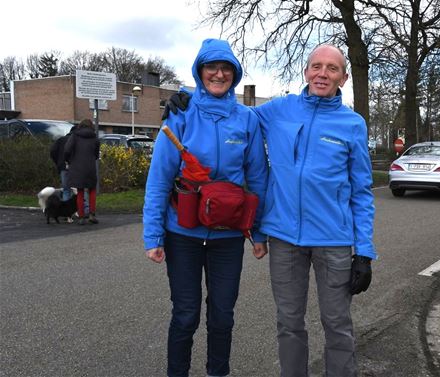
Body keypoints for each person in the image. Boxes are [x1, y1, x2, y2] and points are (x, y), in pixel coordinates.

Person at [163, 43, 376, 377]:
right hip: (284, 238)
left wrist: (363, 251)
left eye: (332, 68)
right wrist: (186, 96)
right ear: (306, 71)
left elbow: (362, 192)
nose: (322, 74)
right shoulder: (278, 110)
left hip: (333, 239)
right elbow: (227, 111)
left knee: (337, 324)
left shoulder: (353, 124)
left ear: (344, 78)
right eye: (316, 66)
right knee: (289, 324)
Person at [143, 38, 268, 377]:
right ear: (200, 72)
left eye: (226, 68)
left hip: (228, 236)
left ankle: (218, 373)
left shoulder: (247, 120)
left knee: (223, 315)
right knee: (185, 314)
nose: (218, 73)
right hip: (182, 232)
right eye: (211, 67)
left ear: (235, 75)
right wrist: (153, 235)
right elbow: (158, 179)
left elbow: (257, 178)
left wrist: (257, 232)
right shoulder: (180, 114)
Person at [64, 118, 99, 225]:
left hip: (77, 167)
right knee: (92, 191)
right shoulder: (95, 138)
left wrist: (69, 160)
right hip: (90, 167)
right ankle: (92, 214)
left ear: (81, 126)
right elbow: (97, 154)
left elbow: (67, 150)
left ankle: (81, 217)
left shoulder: (75, 136)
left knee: (80, 192)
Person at [50, 127, 75, 201]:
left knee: (66, 190)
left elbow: (53, 151)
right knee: (77, 190)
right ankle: (78, 209)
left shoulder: (61, 140)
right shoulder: (77, 140)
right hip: (76, 168)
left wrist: (58, 162)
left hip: (63, 167)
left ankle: (66, 210)